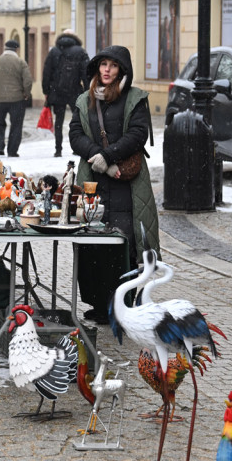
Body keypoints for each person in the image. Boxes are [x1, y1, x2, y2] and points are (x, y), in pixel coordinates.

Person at [69, 45, 159, 322]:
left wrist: (107, 157)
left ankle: (122, 305)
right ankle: (98, 303)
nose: (107, 70)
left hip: (126, 185)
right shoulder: (85, 100)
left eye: (113, 65)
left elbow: (136, 135)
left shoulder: (134, 99)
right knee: (93, 245)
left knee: (123, 244)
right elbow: (75, 135)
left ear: (123, 71)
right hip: (93, 183)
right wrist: (99, 160)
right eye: (103, 64)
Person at [41, 29, 88, 157]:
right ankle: (77, 147)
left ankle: (58, 149)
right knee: (77, 120)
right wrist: (88, 91)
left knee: (58, 122)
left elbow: (46, 73)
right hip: (75, 91)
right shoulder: (80, 51)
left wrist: (46, 91)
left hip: (57, 91)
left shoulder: (54, 51)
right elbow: (86, 73)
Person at [0, 39, 32, 157]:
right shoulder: (20, 62)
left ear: (5, 49)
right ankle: (12, 151)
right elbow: (28, 80)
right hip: (17, 100)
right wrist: (26, 93)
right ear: (16, 49)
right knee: (16, 125)